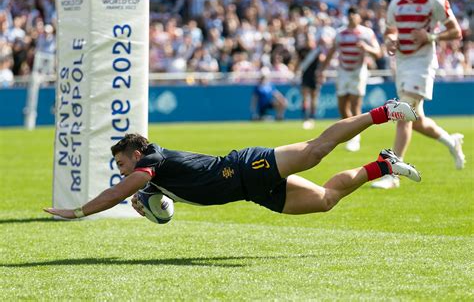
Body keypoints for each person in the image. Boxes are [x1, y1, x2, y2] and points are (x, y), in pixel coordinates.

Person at [44, 100, 421, 220]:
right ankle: (383, 165)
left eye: (121, 163)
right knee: (324, 201)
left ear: (136, 153)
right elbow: (158, 202)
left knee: (314, 151)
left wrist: (77, 212)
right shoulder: (150, 178)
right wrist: (150, 205)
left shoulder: (152, 160)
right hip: (249, 191)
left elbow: (115, 194)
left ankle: (383, 113)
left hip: (245, 167)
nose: (120, 169)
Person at [372, 0, 466, 189]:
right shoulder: (396, 2)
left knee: (403, 113)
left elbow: (456, 32)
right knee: (417, 120)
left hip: (422, 62)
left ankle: (392, 173)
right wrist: (390, 40)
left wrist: (431, 37)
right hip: (403, 62)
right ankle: (452, 142)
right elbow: (390, 30)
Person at [317, 6, 382, 152]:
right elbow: (332, 52)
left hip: (358, 71)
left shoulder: (366, 33)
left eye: (355, 15)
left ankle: (355, 138)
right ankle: (350, 133)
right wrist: (322, 69)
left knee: (355, 106)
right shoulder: (340, 33)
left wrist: (366, 48)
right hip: (342, 71)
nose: (352, 17)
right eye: (350, 15)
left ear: (359, 17)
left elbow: (378, 53)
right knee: (342, 107)